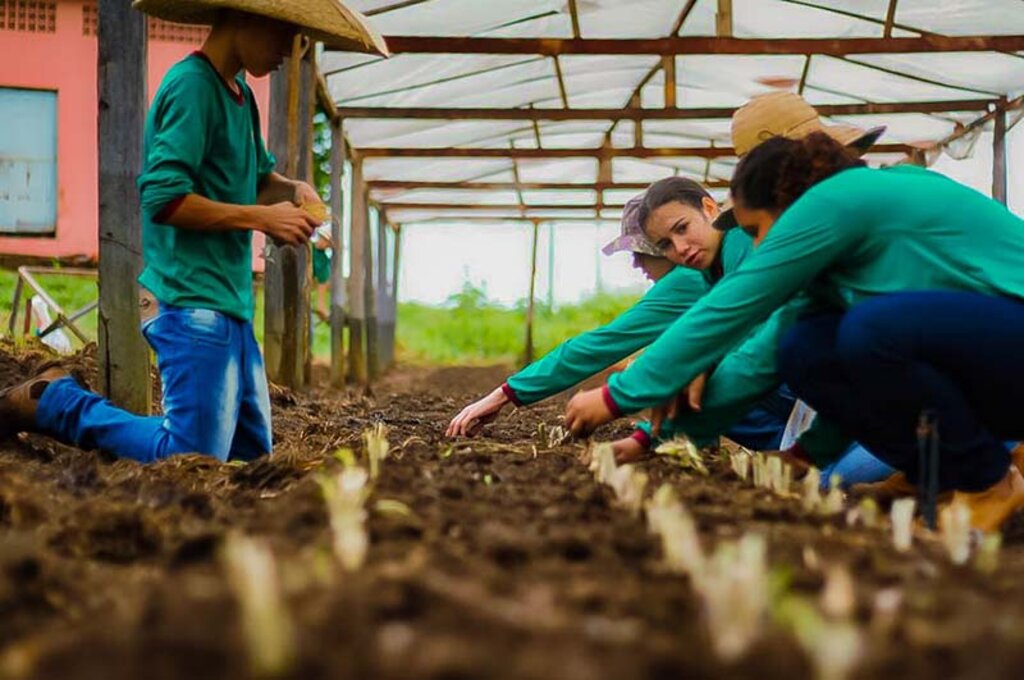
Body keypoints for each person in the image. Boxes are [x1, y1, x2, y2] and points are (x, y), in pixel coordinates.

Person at [565, 131, 1024, 532]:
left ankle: (989, 480)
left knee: (870, 331)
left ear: (788, 202)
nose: (761, 247)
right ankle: (934, 471)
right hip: (987, 355)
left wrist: (614, 397)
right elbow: (759, 359)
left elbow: (734, 306)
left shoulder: (840, 198)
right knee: (805, 345)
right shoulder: (834, 262)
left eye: (758, 230)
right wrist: (653, 437)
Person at [0, 0, 387, 463]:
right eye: (284, 34)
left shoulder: (239, 96)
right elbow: (164, 199)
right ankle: (58, 403)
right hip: (190, 302)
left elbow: (256, 179)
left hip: (230, 305)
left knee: (249, 456)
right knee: (191, 453)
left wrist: (292, 189)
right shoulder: (191, 88)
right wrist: (262, 219)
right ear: (245, 17)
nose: (289, 51)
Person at [446, 190, 795, 457]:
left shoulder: (686, 278)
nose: (636, 265)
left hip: (793, 384)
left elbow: (602, 343)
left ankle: (790, 443)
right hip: (794, 378)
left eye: (639, 253)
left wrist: (503, 395)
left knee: (663, 370)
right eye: (661, 242)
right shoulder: (719, 258)